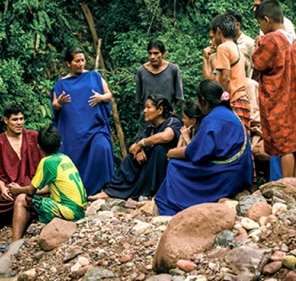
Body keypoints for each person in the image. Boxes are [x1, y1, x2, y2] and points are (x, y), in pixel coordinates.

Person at [154, 81, 253, 216]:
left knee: (175, 165)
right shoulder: (229, 113)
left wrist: (172, 152)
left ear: (204, 101)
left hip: (226, 175)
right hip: (241, 172)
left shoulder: (211, 119)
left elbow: (198, 154)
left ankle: (176, 205)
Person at [251, 0, 296, 179]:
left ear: (267, 20)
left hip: (278, 98)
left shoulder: (272, 39)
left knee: (284, 145)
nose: (261, 28)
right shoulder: (291, 39)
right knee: (294, 144)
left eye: (260, 24)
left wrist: (259, 44)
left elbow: (258, 62)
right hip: (292, 95)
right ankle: (294, 182)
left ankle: (287, 184)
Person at [89, 95, 182, 201]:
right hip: (149, 168)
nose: (145, 111)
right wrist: (137, 151)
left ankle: (152, 193)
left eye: (148, 107)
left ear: (160, 110)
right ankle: (111, 192)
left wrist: (142, 143)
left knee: (159, 149)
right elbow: (133, 146)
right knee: (131, 158)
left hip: (165, 168)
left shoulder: (173, 121)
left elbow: (166, 137)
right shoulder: (149, 128)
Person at [51, 46, 114, 196]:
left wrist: (100, 97)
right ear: (68, 63)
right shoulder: (61, 83)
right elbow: (55, 106)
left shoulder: (94, 76)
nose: (81, 64)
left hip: (95, 127)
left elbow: (108, 94)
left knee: (102, 147)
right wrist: (59, 102)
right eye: (76, 61)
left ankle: (105, 188)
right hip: (73, 130)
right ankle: (77, 192)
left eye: (83, 60)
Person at [8, 125, 87, 242]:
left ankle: (13, 244)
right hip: (81, 210)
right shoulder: (65, 158)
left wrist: (17, 190)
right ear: (60, 144)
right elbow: (50, 188)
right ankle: (19, 239)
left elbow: (31, 190)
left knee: (21, 199)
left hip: (69, 212)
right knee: (31, 202)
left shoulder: (46, 162)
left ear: (38, 147)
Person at [0, 102, 44, 241]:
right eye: (15, 120)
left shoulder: (34, 136)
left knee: (40, 193)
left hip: (31, 184)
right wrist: (2, 187)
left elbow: (45, 164)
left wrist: (25, 188)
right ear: (6, 120)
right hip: (8, 187)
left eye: (21, 119)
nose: (19, 123)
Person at [204, 14, 251, 135]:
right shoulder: (237, 48)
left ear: (218, 30)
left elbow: (225, 78)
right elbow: (218, 73)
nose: (213, 40)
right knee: (242, 141)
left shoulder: (223, 48)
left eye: (213, 35)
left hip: (233, 101)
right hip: (243, 101)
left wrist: (222, 105)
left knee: (230, 141)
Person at [135, 40, 184, 113]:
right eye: (150, 53)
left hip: (167, 116)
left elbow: (178, 96)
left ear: (163, 54)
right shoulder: (141, 71)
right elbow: (139, 98)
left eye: (156, 53)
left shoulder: (173, 70)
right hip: (147, 117)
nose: (152, 57)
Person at [225, 10, 256, 78]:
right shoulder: (223, 45)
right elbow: (219, 69)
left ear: (238, 25)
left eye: (227, 25)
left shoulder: (249, 43)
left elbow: (255, 68)